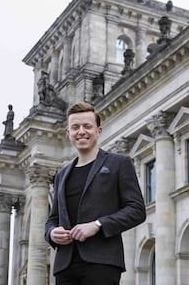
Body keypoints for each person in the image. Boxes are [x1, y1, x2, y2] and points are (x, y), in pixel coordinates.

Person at [45, 102, 146, 285]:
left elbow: (137, 210)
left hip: (102, 263)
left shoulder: (119, 163)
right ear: (68, 133)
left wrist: (98, 224)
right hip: (65, 266)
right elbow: (52, 219)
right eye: (75, 127)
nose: (81, 131)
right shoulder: (62, 175)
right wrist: (52, 233)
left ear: (98, 131)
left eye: (87, 126)